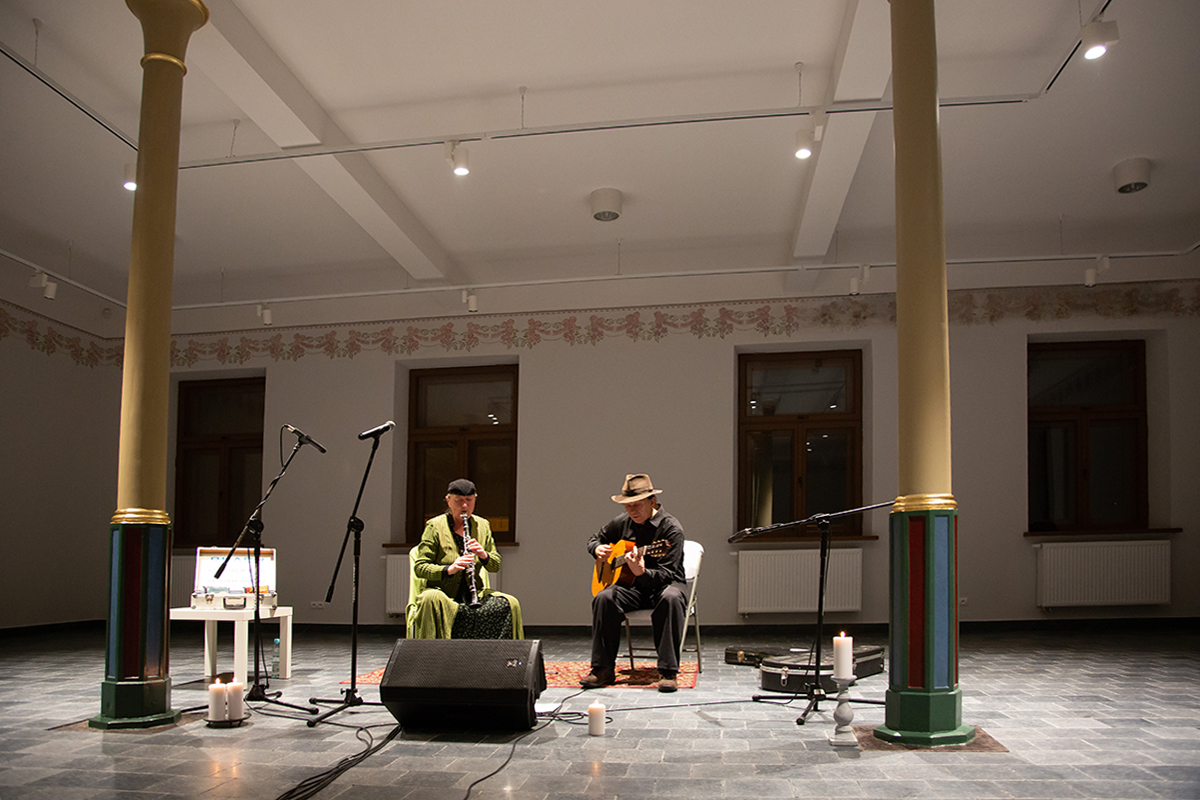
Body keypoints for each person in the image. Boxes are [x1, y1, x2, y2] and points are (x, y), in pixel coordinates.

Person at [582, 473, 687, 692]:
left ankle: (668, 671)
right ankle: (602, 669)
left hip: (664, 585)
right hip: (633, 588)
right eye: (628, 506)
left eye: (637, 505)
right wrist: (597, 549)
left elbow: (668, 573)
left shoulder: (671, 529)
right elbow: (594, 539)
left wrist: (642, 572)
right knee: (604, 598)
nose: (632, 511)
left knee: (671, 598)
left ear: (652, 501)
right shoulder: (622, 522)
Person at [409, 479, 524, 639]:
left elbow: (495, 566)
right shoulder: (434, 526)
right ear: (448, 500)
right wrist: (449, 569)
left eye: (469, 500)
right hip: (442, 593)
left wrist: (483, 555)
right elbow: (421, 567)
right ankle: (432, 653)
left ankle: (500, 653)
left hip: (474, 593)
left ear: (475, 499)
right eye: (458, 501)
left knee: (510, 603)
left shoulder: (482, 525)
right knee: (430, 599)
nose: (464, 506)